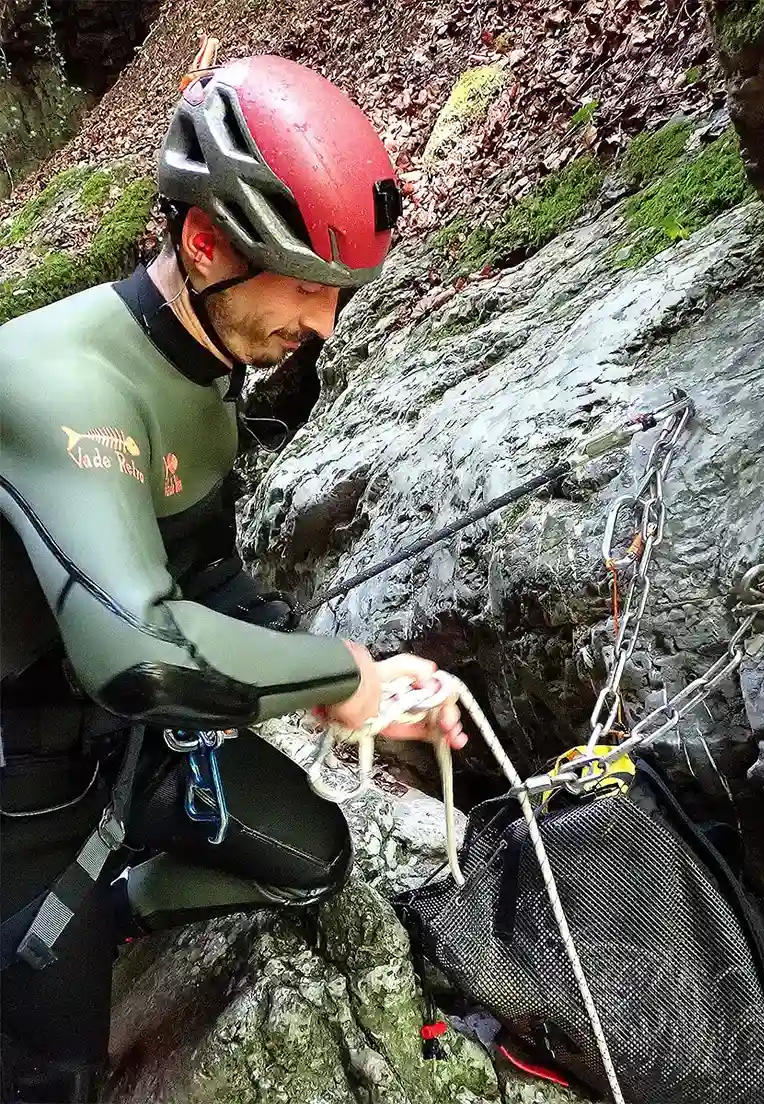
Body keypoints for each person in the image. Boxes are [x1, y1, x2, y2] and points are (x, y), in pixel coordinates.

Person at [0, 54, 467, 1103]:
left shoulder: (206, 372)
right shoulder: (56, 381)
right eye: (307, 285)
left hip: (116, 743)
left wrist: (376, 699)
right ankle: (66, 935)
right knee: (57, 1075)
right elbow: (142, 651)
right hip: (17, 785)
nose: (324, 326)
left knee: (313, 853)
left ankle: (113, 908)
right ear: (206, 242)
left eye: (340, 293)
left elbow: (206, 575)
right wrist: (340, 674)